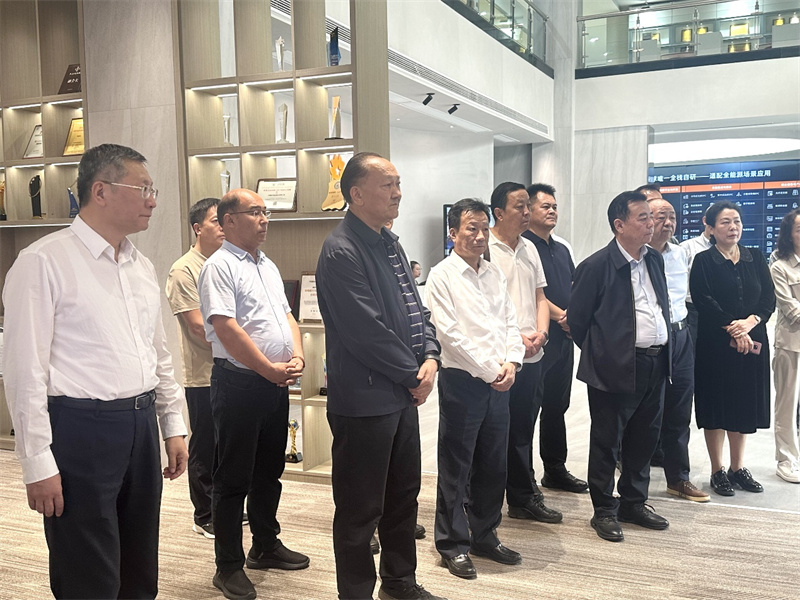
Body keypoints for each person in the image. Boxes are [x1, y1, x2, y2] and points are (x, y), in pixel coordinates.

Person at [2, 143, 189, 598]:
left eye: (153, 190)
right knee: (88, 571)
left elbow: (157, 352)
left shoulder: (141, 265)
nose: (153, 201)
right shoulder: (43, 261)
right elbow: (25, 371)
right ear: (100, 191)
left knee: (139, 566)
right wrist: (36, 462)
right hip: (80, 429)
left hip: (140, 425)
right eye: (143, 189)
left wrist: (172, 424)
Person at [315, 152, 444, 600]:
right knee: (359, 509)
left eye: (398, 184)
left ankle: (399, 581)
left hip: (400, 396)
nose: (398, 193)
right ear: (356, 194)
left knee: (403, 496)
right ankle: (355, 593)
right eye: (388, 185)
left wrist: (431, 355)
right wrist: (413, 374)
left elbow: (416, 309)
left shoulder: (390, 242)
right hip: (364, 402)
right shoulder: (341, 250)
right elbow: (365, 331)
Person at [198, 189, 309, 600]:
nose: (264, 219)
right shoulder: (220, 266)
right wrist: (268, 369)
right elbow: (226, 328)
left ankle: (265, 544)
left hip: (274, 384)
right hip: (240, 384)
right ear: (228, 221)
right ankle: (228, 565)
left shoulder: (267, 264)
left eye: (265, 212)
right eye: (255, 212)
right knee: (232, 479)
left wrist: (297, 355)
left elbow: (287, 316)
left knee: (267, 471)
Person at [426, 198, 525, 579]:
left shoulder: (493, 273)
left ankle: (484, 534)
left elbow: (510, 322)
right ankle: (452, 544)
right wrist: (490, 370)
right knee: (457, 466)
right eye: (472, 228)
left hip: (500, 380)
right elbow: (448, 335)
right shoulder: (442, 276)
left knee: (493, 464)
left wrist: (512, 361)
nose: (480, 236)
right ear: (453, 232)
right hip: (463, 382)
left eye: (484, 228)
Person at [568, 190, 671, 543]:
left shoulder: (654, 260)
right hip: (614, 367)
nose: (651, 223)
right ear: (619, 225)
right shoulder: (596, 266)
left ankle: (634, 502)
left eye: (651, 217)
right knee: (606, 441)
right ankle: (604, 510)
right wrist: (605, 354)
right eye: (643, 218)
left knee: (644, 437)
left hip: (655, 362)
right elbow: (578, 322)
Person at [689, 200, 775, 497]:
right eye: (725, 222)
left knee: (743, 404)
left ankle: (738, 468)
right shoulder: (703, 261)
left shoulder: (756, 257)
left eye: (736, 221)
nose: (732, 227)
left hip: (753, 341)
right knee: (716, 404)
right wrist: (733, 327)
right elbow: (703, 300)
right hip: (715, 344)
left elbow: (768, 299)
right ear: (711, 228)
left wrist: (750, 323)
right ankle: (717, 469)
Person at [488, 183, 562, 524]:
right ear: (499, 212)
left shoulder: (529, 247)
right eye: (520, 206)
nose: (527, 212)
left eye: (527, 206)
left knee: (522, 430)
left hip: (532, 354)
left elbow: (539, 297)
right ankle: (483, 501)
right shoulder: (485, 249)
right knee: (492, 433)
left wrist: (542, 334)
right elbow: (484, 308)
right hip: (499, 358)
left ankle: (522, 497)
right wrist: (517, 338)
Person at [637, 186, 709, 502]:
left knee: (680, 410)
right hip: (650, 341)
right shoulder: (635, 256)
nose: (668, 223)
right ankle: (635, 484)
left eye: (672, 217)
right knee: (645, 414)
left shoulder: (680, 254)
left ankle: (678, 478)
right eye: (660, 217)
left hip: (680, 336)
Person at [166, 197, 227, 538]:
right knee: (206, 445)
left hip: (235, 370)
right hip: (204, 374)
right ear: (197, 228)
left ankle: (224, 506)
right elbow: (197, 327)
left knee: (227, 445)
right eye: (216, 221)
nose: (223, 226)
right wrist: (243, 346)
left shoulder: (228, 262)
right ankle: (204, 514)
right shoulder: (184, 269)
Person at [523, 183, 588, 494]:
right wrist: (563, 316)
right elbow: (533, 293)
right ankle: (523, 478)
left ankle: (555, 469)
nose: (552, 211)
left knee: (556, 405)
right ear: (528, 210)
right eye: (545, 206)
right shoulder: (523, 247)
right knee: (528, 408)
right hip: (538, 337)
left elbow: (574, 285)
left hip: (564, 339)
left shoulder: (561, 248)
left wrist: (574, 315)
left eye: (554, 207)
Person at [770, 208, 800, 484]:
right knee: (787, 406)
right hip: (791, 344)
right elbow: (791, 309)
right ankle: (786, 460)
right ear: (789, 235)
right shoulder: (780, 267)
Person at [680, 211, 713, 345]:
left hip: (724, 310)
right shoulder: (686, 248)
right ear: (706, 221)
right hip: (693, 311)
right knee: (694, 351)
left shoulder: (732, 250)